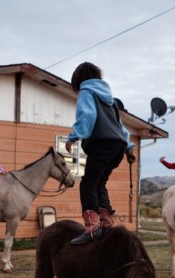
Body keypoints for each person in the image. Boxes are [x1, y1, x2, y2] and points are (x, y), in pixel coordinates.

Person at [65, 62, 136, 245]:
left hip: (102, 143)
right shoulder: (110, 100)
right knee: (99, 182)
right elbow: (121, 127)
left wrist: (74, 137)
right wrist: (128, 146)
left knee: (87, 183)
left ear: (78, 79)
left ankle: (92, 227)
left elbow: (87, 116)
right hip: (118, 146)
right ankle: (106, 221)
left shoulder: (86, 92)